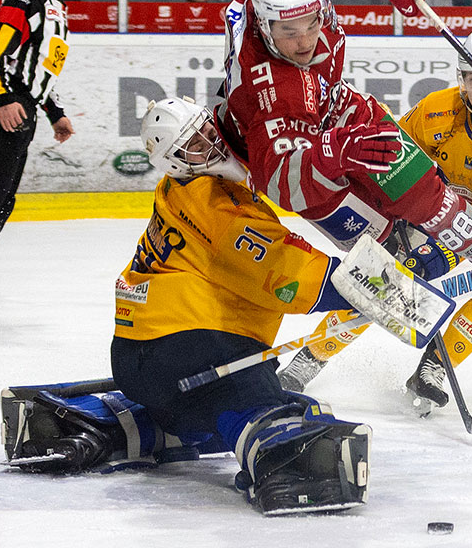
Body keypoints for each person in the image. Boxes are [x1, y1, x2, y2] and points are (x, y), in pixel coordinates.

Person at [107, 97, 372, 514]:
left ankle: (124, 422)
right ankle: (289, 466)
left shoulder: (178, 189)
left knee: (211, 414)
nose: (211, 144)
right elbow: (284, 271)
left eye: (208, 132)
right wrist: (365, 285)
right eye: (194, 145)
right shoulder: (215, 207)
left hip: (136, 357)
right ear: (175, 161)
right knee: (266, 406)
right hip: (189, 353)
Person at [278, 32, 472, 413]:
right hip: (439, 207)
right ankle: (308, 361)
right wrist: (396, 218)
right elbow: (394, 158)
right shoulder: (435, 109)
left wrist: (435, 253)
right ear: (461, 78)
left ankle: (433, 369)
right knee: (385, 276)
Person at [221, 0, 472, 273]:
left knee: (410, 176)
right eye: (289, 31)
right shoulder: (273, 87)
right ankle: (393, 248)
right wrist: (334, 154)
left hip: (331, 100)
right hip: (284, 143)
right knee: (334, 201)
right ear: (265, 27)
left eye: (311, 23)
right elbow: (281, 180)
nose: (305, 41)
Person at [0, 0, 83, 300]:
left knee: (1, 201)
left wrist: (54, 110)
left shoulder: (57, 4)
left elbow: (42, 68)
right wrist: (3, 99)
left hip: (23, 112)